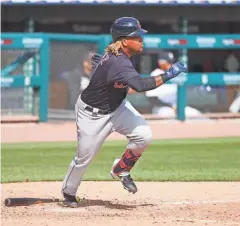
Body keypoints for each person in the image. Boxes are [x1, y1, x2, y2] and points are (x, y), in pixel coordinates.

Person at [61, 17, 187, 208]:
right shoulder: (118, 61)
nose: (141, 40)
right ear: (125, 40)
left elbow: (110, 69)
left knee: (143, 136)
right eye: (137, 37)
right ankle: (68, 192)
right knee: (84, 158)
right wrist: (168, 74)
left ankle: (121, 168)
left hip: (118, 107)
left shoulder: (118, 56)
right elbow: (140, 85)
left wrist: (101, 69)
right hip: (92, 115)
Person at [145, 52, 203, 118]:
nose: (171, 65)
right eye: (168, 62)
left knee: (197, 115)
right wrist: (171, 107)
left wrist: (178, 106)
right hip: (161, 108)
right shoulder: (155, 74)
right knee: (169, 115)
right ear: (161, 62)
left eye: (172, 62)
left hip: (177, 107)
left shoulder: (175, 74)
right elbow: (152, 98)